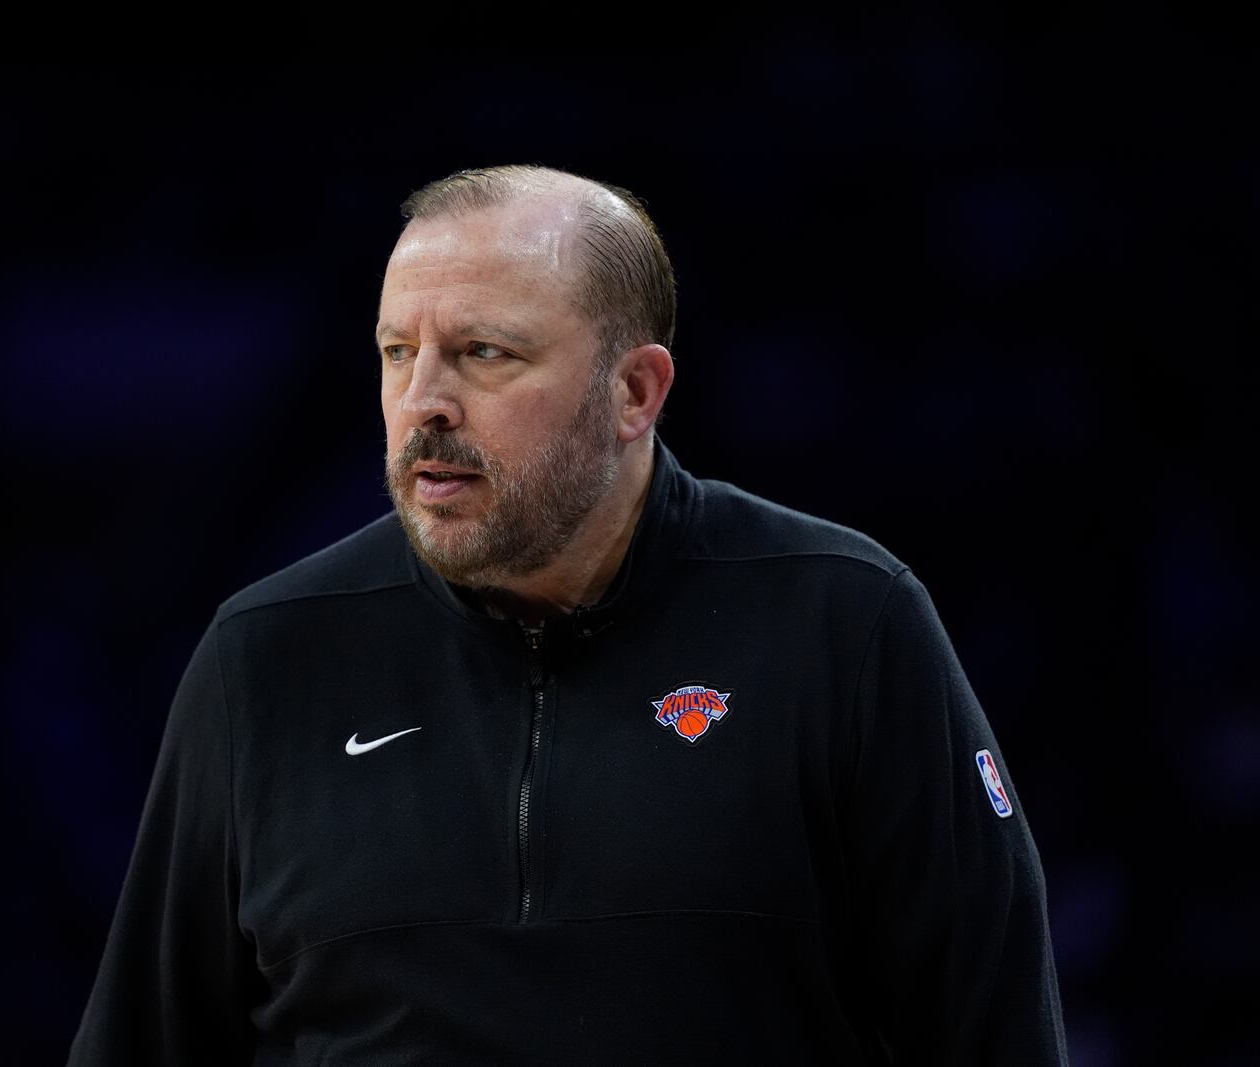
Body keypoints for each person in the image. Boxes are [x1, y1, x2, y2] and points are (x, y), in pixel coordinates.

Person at [67, 165, 1069, 1064]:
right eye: (395, 351)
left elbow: (993, 1033)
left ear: (633, 390)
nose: (422, 402)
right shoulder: (267, 658)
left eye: (484, 353)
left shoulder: (845, 623)